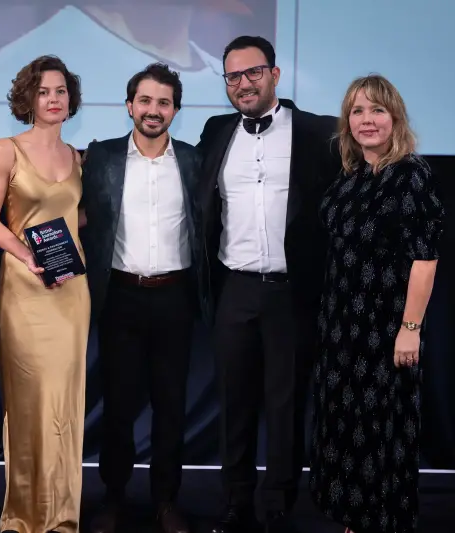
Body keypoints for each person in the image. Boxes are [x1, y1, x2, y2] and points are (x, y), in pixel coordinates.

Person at [195, 35, 339, 533]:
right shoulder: (216, 132)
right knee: (234, 401)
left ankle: (277, 504)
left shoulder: (321, 132)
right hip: (234, 286)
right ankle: (235, 503)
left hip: (291, 290)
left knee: (285, 404)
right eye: (233, 76)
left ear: (275, 75)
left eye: (252, 72)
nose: (243, 84)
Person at [309, 74, 444, 533]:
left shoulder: (410, 174)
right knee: (345, 430)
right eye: (358, 111)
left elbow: (424, 261)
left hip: (384, 331)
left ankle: (378, 523)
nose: (367, 120)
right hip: (341, 329)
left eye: (377, 110)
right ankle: (354, 522)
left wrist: (410, 329)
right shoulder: (353, 176)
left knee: (378, 433)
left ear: (395, 118)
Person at [81, 63, 203, 533]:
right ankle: (113, 499)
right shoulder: (101, 158)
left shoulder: (194, 160)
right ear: (129, 105)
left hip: (175, 298)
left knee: (171, 406)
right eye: (146, 101)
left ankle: (166, 502)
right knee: (118, 406)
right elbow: (78, 214)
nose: (154, 111)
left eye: (164, 102)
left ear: (176, 109)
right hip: (120, 299)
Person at [0, 55, 90, 533]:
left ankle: (63, 516)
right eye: (44, 91)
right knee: (30, 401)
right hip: (26, 287)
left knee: (66, 400)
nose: (53, 99)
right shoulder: (7, 149)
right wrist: (28, 255)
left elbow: (77, 220)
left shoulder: (79, 157)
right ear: (28, 97)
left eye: (61, 91)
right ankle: (22, 517)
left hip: (70, 289)